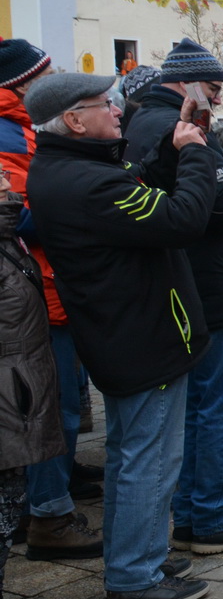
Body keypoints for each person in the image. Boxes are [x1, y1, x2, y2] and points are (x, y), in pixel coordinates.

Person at [26, 71, 219, 599]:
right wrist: (195, 154)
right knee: (148, 458)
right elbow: (181, 219)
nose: (117, 110)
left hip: (128, 332)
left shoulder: (71, 168)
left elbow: (139, 187)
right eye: (104, 104)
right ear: (73, 120)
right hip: (140, 336)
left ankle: (139, 555)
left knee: (134, 453)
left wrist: (173, 146)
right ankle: (134, 575)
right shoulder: (86, 182)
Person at [124, 40, 223, 555]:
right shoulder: (172, 125)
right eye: (212, 87)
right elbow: (211, 208)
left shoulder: (157, 121)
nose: (217, 97)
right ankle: (213, 515)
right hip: (213, 283)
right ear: (185, 83)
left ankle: (195, 515)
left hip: (194, 282)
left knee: (201, 408)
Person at [0, 39, 103, 562]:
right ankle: (48, 514)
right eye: (44, 72)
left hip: (49, 283)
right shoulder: (8, 133)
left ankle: (48, 494)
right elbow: (18, 215)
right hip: (35, 289)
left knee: (55, 403)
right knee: (45, 406)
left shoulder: (22, 127)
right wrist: (76, 205)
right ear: (22, 83)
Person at [0, 156, 62, 599]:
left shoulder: (7, 236)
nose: (7, 181)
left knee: (7, 503)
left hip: (15, 386)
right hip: (6, 390)